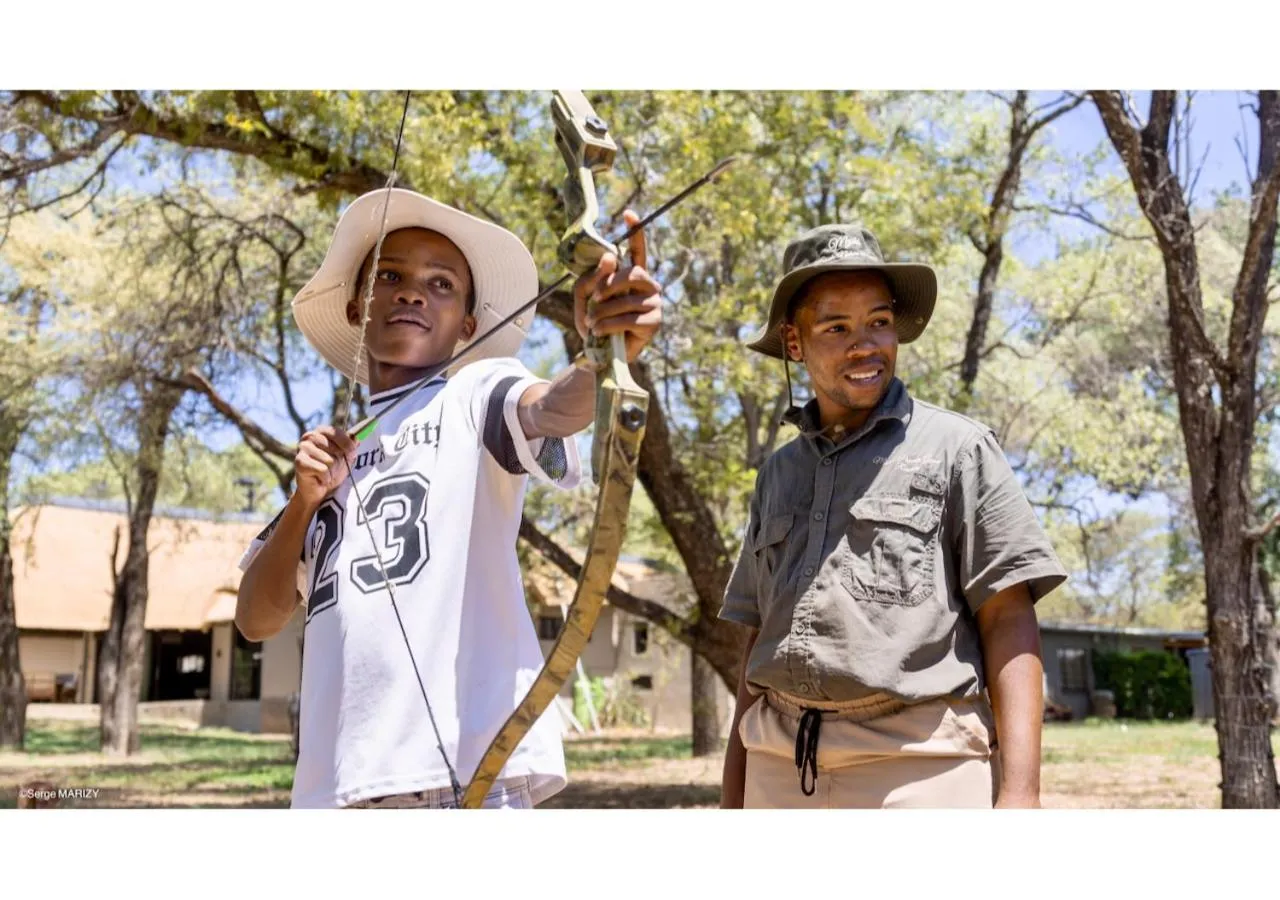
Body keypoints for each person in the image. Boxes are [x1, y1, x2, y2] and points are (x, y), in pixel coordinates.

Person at [235, 188, 662, 809]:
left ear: (467, 326)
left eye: (441, 284)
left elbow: (549, 409)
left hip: (465, 775)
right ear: (357, 308)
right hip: (335, 791)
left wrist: (600, 356)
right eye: (390, 275)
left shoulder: (476, 393)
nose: (413, 292)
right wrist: (304, 502)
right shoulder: (330, 461)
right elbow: (255, 618)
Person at [719, 223, 1067, 808]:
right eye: (837, 327)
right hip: (777, 766)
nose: (865, 345)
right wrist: (734, 795)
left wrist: (1021, 796)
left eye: (879, 322)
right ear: (795, 342)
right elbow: (756, 639)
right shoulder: (777, 475)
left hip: (919, 768)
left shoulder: (959, 449)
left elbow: (1009, 619)